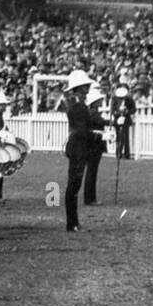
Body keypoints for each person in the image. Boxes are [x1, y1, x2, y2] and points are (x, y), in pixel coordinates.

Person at [62, 70, 96, 232]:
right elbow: (82, 130)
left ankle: (73, 222)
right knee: (74, 185)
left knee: (74, 185)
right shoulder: (78, 106)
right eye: (86, 85)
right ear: (80, 87)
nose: (88, 87)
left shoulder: (76, 103)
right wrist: (97, 136)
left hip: (78, 146)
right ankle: (72, 223)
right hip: (78, 147)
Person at [84, 87, 109, 206]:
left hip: (93, 143)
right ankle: (90, 198)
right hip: (94, 143)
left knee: (92, 171)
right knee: (92, 171)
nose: (100, 102)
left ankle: (90, 198)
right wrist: (113, 122)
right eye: (99, 100)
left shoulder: (93, 112)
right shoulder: (93, 113)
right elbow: (101, 122)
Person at [111, 86, 136, 159]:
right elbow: (112, 110)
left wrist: (127, 111)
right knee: (119, 137)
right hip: (118, 120)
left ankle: (127, 154)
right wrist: (118, 113)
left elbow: (134, 109)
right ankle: (118, 153)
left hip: (126, 120)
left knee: (126, 138)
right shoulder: (114, 99)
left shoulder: (129, 99)